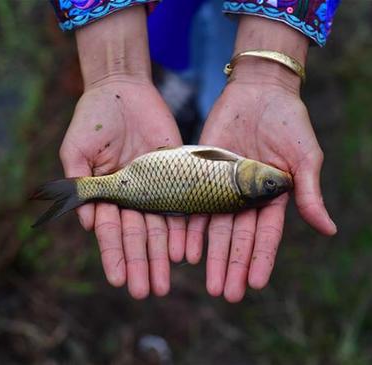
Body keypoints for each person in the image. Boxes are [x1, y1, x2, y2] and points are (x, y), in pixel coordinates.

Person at [48, 0, 339, 302]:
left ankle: (197, 96)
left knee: (207, 50)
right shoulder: (238, 177)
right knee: (175, 32)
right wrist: (112, 70)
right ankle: (190, 89)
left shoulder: (235, 175)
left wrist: (269, 72)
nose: (275, 178)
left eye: (269, 184)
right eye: (270, 182)